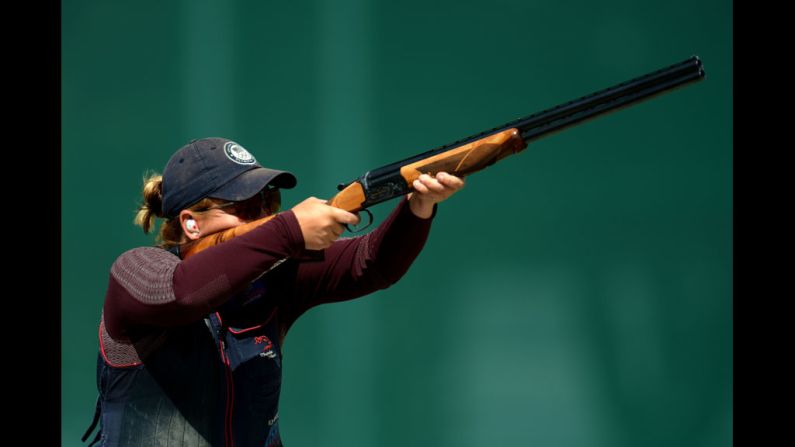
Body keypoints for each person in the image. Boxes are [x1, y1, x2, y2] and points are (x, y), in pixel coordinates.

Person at [82, 137, 464, 447]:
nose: (265, 215)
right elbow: (184, 294)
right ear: (191, 224)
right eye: (247, 206)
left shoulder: (273, 278)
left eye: (270, 202)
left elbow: (371, 263)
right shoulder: (136, 271)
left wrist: (418, 207)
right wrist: (289, 231)